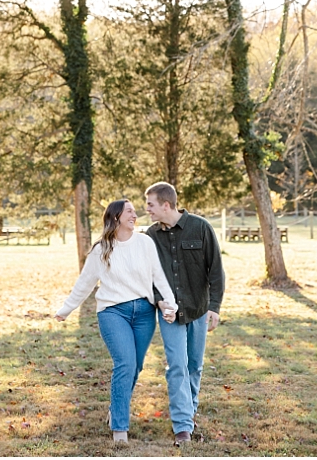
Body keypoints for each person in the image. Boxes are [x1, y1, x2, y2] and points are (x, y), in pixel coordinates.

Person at [55, 199, 178, 444]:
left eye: (134, 211)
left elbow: (159, 276)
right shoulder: (101, 250)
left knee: (135, 367)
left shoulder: (145, 242)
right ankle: (120, 427)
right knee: (124, 363)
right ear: (116, 217)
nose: (135, 214)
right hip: (113, 312)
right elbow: (85, 283)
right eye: (130, 211)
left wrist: (170, 303)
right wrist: (66, 309)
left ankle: (116, 408)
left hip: (144, 312)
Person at [144, 182, 225, 446]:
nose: (147, 210)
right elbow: (148, 278)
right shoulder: (150, 236)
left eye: (151, 204)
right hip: (170, 314)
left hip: (199, 309)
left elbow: (216, 271)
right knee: (177, 366)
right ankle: (182, 426)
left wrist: (214, 307)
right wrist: (159, 302)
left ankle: (188, 412)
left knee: (194, 366)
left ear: (166, 205)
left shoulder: (201, 228)